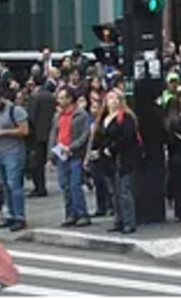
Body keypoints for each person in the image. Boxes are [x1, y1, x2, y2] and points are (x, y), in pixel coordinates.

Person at [95, 90, 139, 235]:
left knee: (124, 191)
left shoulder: (126, 117)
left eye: (115, 98)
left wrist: (112, 148)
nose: (112, 101)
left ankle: (129, 222)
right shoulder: (104, 118)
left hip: (123, 158)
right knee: (114, 192)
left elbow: (128, 137)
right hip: (108, 161)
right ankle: (118, 220)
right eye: (109, 98)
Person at [0, 86, 30, 232]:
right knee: (4, 186)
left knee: (14, 185)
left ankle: (19, 216)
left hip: (13, 152)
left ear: (2, 99)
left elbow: (24, 130)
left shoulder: (15, 111)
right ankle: (9, 215)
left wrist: (3, 132)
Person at [49, 89, 92, 227]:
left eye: (62, 98)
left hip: (74, 154)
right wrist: (51, 154)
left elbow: (85, 135)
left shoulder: (81, 115)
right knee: (65, 186)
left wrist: (72, 147)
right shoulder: (57, 116)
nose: (59, 101)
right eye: (59, 98)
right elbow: (54, 134)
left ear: (69, 99)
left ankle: (82, 214)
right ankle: (70, 214)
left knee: (75, 185)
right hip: (61, 153)